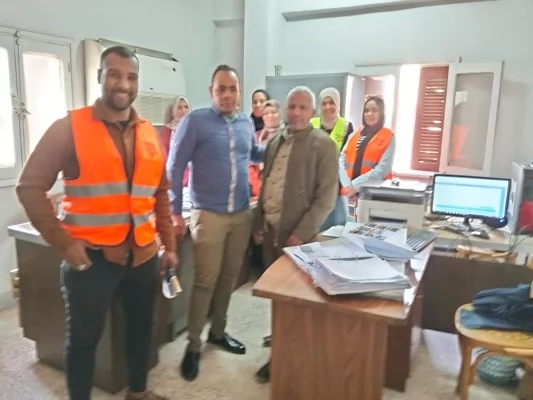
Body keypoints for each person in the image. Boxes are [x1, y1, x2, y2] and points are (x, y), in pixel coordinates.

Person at [15, 46, 177, 400]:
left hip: (143, 256)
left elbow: (161, 193)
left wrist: (168, 245)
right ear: (100, 76)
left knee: (141, 330)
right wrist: (64, 244)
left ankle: (138, 392)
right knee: (84, 342)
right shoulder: (69, 128)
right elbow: (28, 187)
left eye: (131, 77)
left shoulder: (149, 132)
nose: (124, 84)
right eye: (115, 74)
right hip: (92, 260)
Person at [167, 64, 265, 382]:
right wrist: (174, 212)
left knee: (229, 278)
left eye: (232, 89)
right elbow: (174, 167)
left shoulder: (245, 123)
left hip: (241, 215)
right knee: (205, 282)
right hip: (208, 215)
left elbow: (254, 154)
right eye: (221, 88)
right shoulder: (195, 122)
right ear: (211, 91)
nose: (226, 94)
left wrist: (280, 144)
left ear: (239, 92)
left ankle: (218, 333)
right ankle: (194, 345)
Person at [252, 86, 339, 382]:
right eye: (292, 106)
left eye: (303, 108)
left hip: (299, 238)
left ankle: (284, 360)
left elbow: (326, 199)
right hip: (272, 231)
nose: (296, 113)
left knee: (298, 300)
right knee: (278, 296)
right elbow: (267, 184)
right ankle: (279, 338)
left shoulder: (324, 145)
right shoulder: (276, 139)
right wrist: (259, 221)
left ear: (312, 112)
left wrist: (300, 234)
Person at [311, 88, 355, 230]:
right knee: (316, 229)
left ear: (338, 104)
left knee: (338, 228)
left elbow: (349, 159)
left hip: (337, 188)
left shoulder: (346, 126)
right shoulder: (311, 124)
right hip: (314, 188)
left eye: (332, 102)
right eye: (324, 103)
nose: (328, 107)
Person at [339, 96, 395, 201]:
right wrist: (348, 187)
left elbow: (383, 169)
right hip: (348, 196)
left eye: (374, 110)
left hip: (373, 196)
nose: (369, 114)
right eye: (366, 110)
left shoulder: (388, 136)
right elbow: (341, 162)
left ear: (381, 113)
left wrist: (355, 186)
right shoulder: (353, 135)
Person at [249, 99, 283, 197]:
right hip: (260, 190)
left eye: (273, 112)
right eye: (266, 113)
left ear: (280, 114)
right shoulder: (257, 136)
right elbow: (251, 166)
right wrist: (259, 188)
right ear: (262, 117)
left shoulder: (288, 136)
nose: (270, 116)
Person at [160, 96, 192, 187]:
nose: (184, 110)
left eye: (186, 107)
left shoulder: (195, 129)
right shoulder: (167, 131)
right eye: (179, 108)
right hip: (175, 175)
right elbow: (163, 157)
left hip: (194, 173)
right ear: (172, 112)